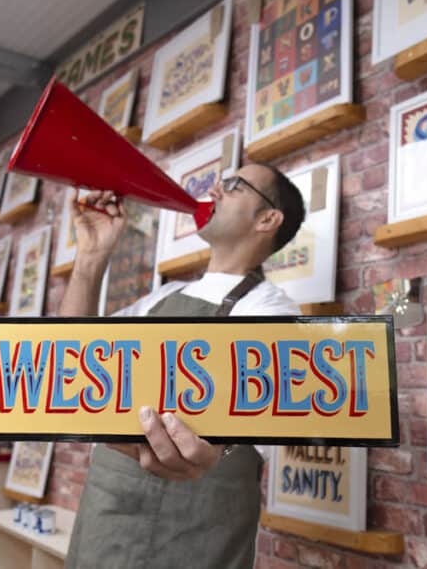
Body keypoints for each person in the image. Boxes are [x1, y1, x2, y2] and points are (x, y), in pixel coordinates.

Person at [61, 162, 306, 569]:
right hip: (101, 529)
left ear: (267, 219)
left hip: (192, 542)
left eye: (233, 185)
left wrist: (215, 448)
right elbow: (71, 360)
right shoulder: (163, 296)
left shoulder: (271, 311)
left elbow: (251, 429)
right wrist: (90, 257)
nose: (214, 190)